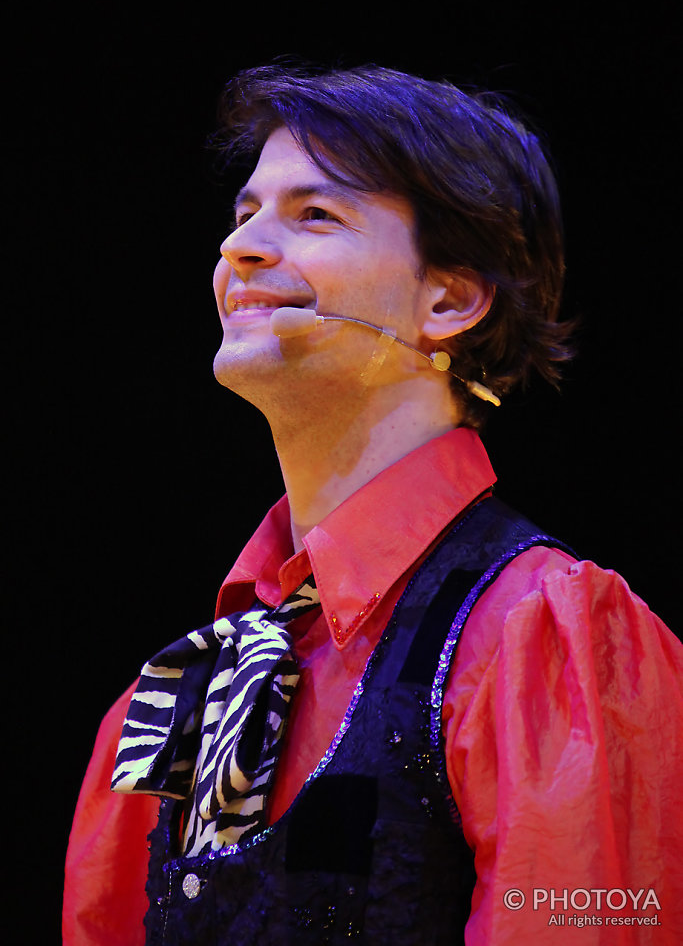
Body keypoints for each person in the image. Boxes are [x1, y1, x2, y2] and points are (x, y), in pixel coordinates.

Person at [63, 64, 682, 945]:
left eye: (316, 215)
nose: (239, 250)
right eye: (243, 215)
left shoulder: (542, 636)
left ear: (450, 298)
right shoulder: (167, 694)